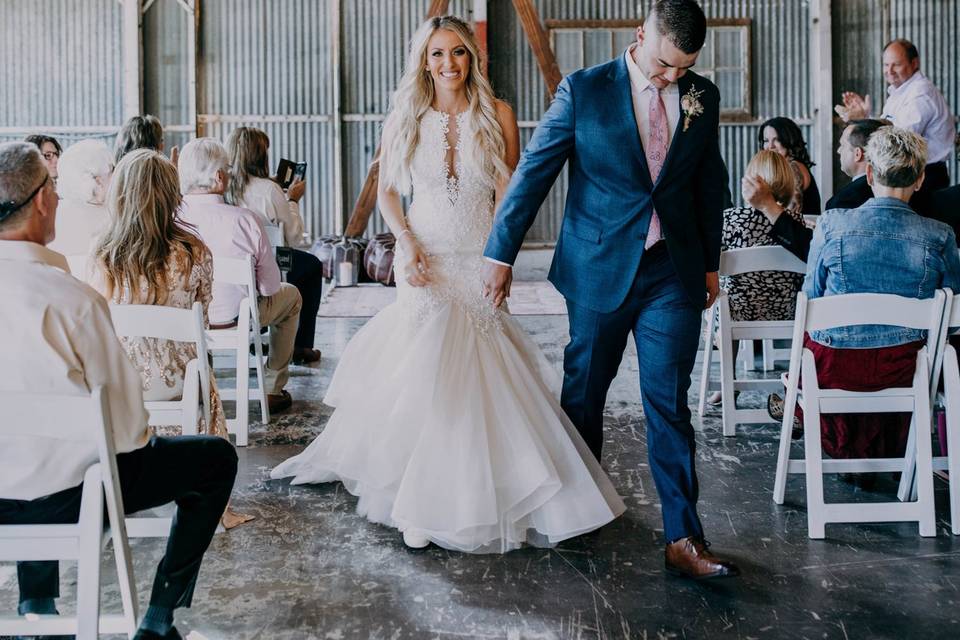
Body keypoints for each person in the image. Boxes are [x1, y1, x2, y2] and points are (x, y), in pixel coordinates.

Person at [272, 15, 625, 554]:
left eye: (457, 53)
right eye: (436, 54)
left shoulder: (499, 113)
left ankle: (477, 493)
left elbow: (514, 193)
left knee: (483, 375)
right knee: (433, 368)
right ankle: (418, 499)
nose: (447, 64)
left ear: (471, 58)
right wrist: (406, 241)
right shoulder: (406, 117)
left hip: (480, 256)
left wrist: (503, 256)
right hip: (426, 259)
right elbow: (388, 191)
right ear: (423, 61)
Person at [483, 0, 738, 578]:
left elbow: (708, 180)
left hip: (672, 271)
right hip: (599, 268)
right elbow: (533, 176)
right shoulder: (583, 91)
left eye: (683, 68)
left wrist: (709, 265)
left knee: (668, 403)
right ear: (639, 34)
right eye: (664, 64)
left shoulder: (704, 97)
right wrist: (500, 253)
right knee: (585, 394)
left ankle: (684, 537)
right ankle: (576, 512)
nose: (672, 77)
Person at [0, 141, 238, 640]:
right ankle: (158, 615)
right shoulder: (71, 301)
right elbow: (128, 431)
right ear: (42, 201)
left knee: (23, 451)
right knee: (215, 459)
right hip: (71, 498)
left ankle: (36, 609)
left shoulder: (97, 268)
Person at [796, 127, 960, 470]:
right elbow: (952, 314)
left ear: (869, 173)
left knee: (814, 344)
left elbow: (811, 298)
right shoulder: (939, 236)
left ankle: (801, 412)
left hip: (833, 370)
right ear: (919, 180)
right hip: (905, 371)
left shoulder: (831, 225)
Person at [177, 137, 302, 414]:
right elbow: (269, 287)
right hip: (235, 318)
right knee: (291, 296)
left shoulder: (170, 218)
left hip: (184, 318)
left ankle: (196, 381)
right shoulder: (244, 219)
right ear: (219, 177)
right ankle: (271, 386)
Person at [225, 127, 323, 364]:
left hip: (231, 273)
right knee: (312, 266)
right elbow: (294, 238)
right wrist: (292, 200)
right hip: (269, 269)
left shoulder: (224, 188)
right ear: (261, 156)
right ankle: (301, 346)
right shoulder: (270, 190)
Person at [837, 39, 955, 195]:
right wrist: (865, 117)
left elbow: (896, 138)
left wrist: (863, 121)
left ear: (914, 63)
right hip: (907, 172)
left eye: (896, 65)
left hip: (924, 177)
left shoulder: (921, 94)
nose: (889, 70)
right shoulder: (900, 91)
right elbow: (887, 126)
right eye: (886, 65)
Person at [47, 138, 114, 257]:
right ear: (97, 181)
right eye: (111, 170)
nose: (116, 175)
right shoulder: (113, 217)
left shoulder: (55, 214)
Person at [759, 117, 821, 216]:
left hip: (800, 230)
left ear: (789, 140)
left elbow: (791, 212)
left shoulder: (792, 168)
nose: (770, 146)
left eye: (777, 140)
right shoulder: (787, 167)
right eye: (766, 140)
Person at [826, 118, 888, 211]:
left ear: (858, 154)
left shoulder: (841, 203)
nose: (839, 151)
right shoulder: (899, 191)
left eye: (842, 145)